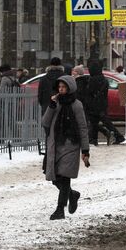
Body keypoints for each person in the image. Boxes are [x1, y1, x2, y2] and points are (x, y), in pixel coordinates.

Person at [42, 75, 89, 220]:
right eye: (59, 87)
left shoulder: (76, 105)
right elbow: (45, 122)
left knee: (65, 177)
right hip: (55, 144)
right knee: (55, 179)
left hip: (71, 145)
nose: (61, 90)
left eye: (64, 87)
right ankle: (72, 194)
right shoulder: (56, 103)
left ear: (69, 88)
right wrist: (51, 106)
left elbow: (82, 127)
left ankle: (59, 210)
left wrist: (85, 150)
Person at [86, 61, 124, 145]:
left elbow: (90, 92)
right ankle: (116, 135)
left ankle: (94, 139)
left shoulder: (92, 80)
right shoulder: (103, 79)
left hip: (94, 105)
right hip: (102, 104)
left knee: (94, 122)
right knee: (103, 122)